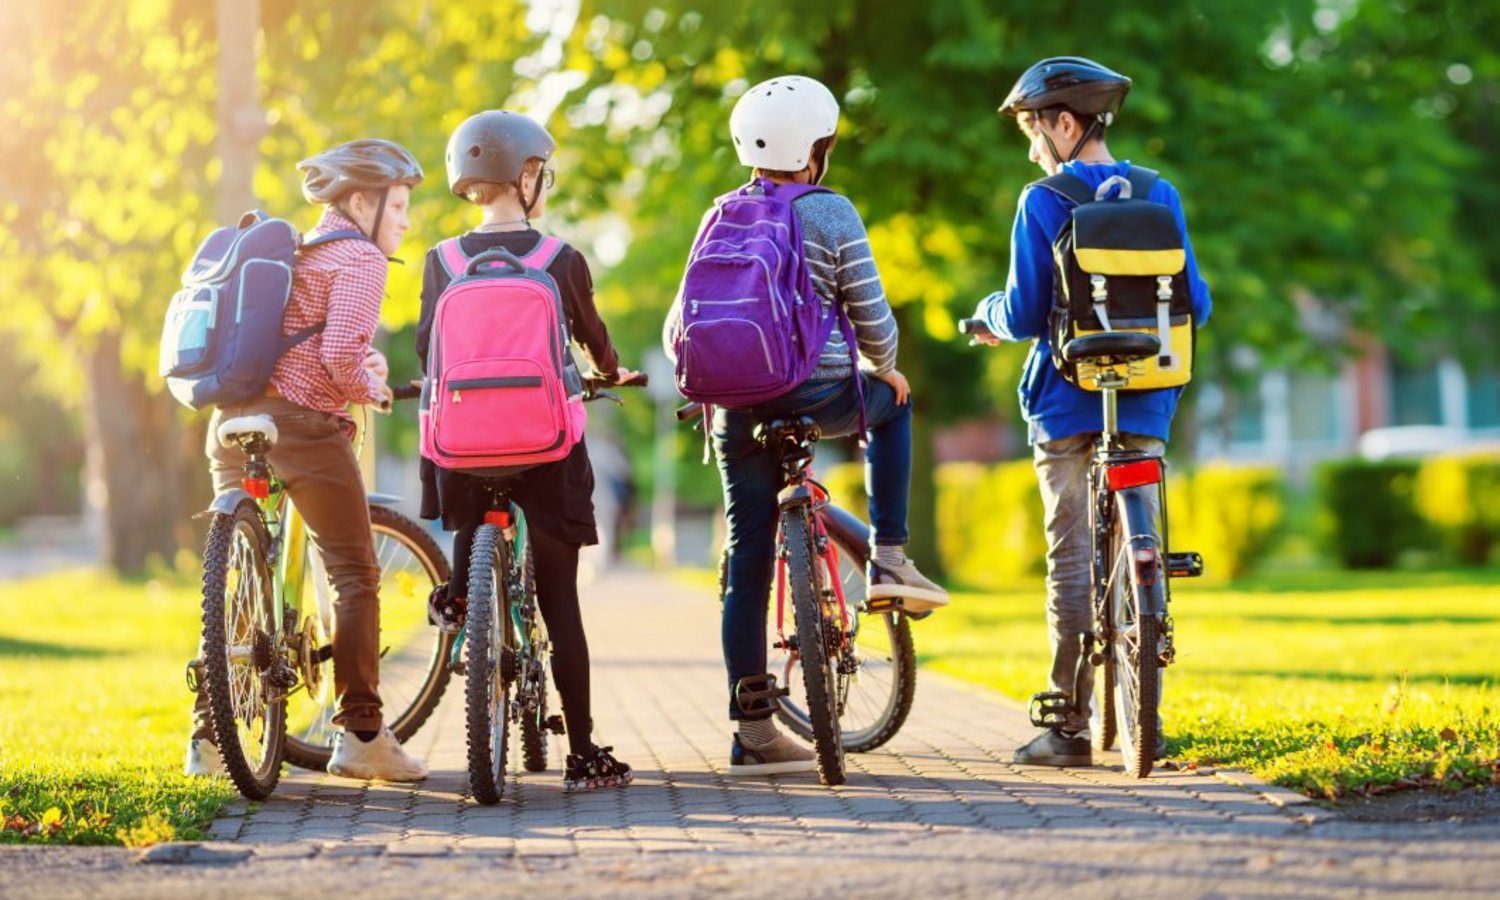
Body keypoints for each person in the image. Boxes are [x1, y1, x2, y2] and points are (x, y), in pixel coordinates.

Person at [663, 75, 949, 777]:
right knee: (897, 404)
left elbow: (678, 327)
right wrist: (887, 367)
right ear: (818, 147)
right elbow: (874, 319)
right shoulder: (832, 212)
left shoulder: (718, 212)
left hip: (734, 407)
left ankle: (753, 731)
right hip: (819, 393)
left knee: (748, 560)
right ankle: (889, 553)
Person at [971, 57, 1212, 766]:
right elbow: (1194, 303)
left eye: (1032, 130)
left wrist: (983, 318)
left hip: (1067, 403)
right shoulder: (1159, 192)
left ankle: (1068, 724)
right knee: (1141, 535)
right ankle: (1148, 700)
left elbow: (1019, 313)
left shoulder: (1043, 200)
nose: (1031, 146)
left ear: (1065, 124)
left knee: (1070, 557)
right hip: (1147, 399)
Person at [186, 138, 430, 782]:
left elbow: (305, 339)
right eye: (399, 205)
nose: (405, 220)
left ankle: (209, 740)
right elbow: (337, 359)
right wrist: (372, 387)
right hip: (301, 427)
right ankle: (363, 734)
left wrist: (359, 366)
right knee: (355, 572)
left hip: (233, 422)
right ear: (360, 202)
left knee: (240, 573)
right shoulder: (359, 257)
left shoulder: (298, 251)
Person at [416, 110, 634, 792]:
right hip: (546, 445)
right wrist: (609, 371)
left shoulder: (440, 262)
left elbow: (429, 349)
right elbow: (594, 342)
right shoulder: (559, 259)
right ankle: (584, 752)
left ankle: (460, 598)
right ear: (529, 175)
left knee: (466, 504)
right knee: (560, 600)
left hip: (461, 446)